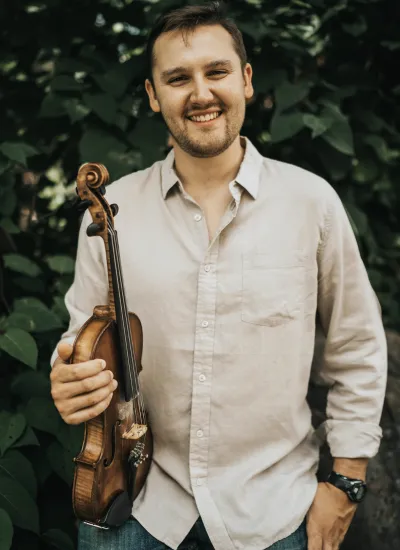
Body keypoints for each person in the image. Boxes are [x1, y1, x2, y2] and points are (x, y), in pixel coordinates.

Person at [49, 3, 387, 550]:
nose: (200, 93)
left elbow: (356, 348)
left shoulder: (311, 203)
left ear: (246, 80)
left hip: (277, 514)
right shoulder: (111, 212)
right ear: (154, 95)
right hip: (136, 505)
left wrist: (345, 482)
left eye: (217, 71)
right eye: (178, 78)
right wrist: (69, 380)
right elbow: (80, 341)